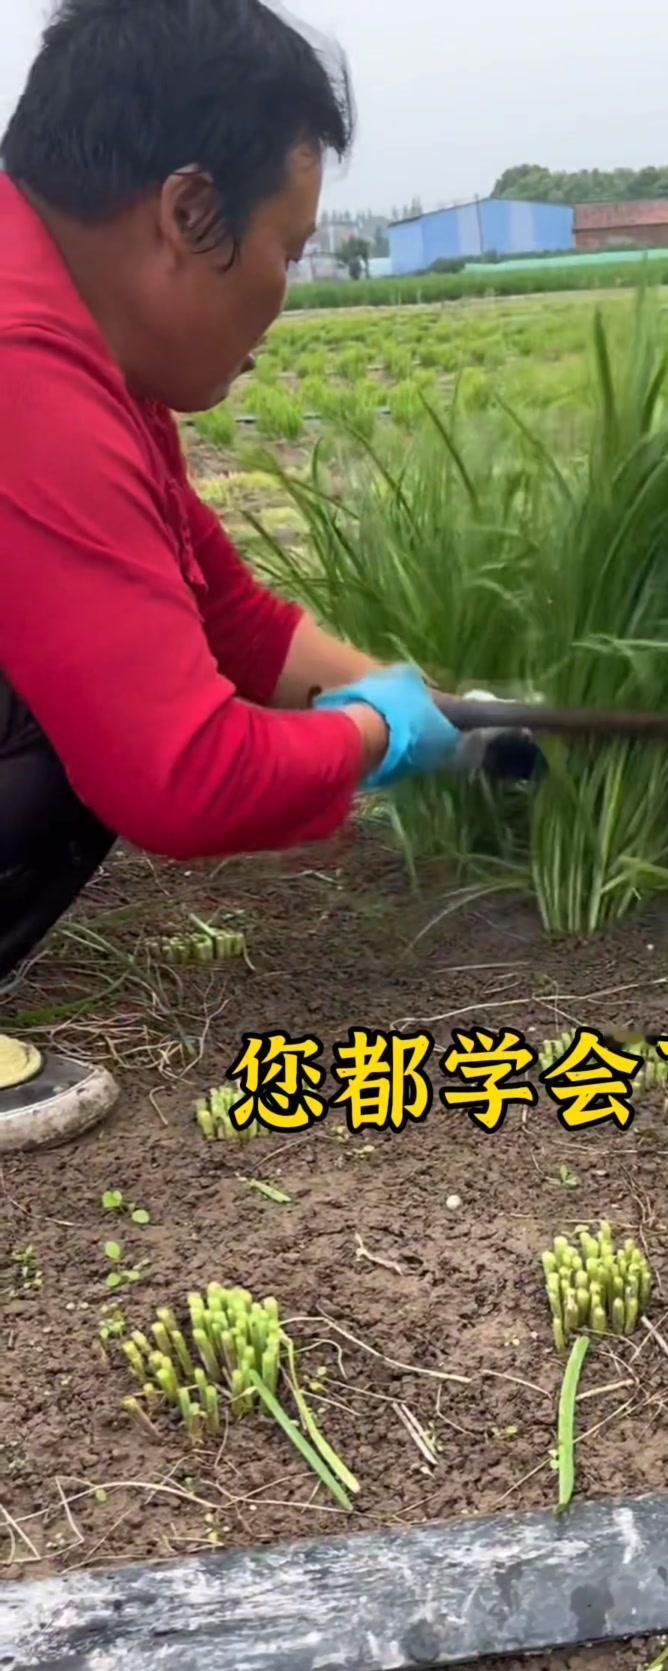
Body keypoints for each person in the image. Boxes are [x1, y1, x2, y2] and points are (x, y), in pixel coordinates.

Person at [0, 0, 470, 1153]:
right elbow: (180, 771)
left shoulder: (80, 336)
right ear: (189, 211)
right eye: (290, 251)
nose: (287, 290)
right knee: (78, 723)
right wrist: (374, 738)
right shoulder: (22, 368)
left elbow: (223, 616)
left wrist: (422, 701)